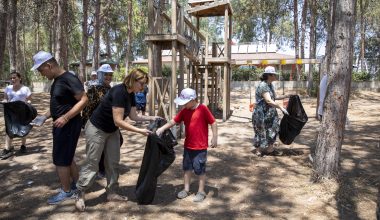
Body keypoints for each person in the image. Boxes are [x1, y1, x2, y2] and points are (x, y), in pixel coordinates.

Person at [74, 68, 159, 211]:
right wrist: (140, 131)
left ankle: (112, 192)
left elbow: (133, 116)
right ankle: (80, 193)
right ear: (133, 80)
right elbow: (118, 121)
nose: (143, 87)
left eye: (144, 84)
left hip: (111, 131)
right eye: (141, 84)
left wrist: (151, 117)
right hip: (97, 129)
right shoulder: (120, 92)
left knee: (113, 162)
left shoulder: (131, 93)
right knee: (93, 161)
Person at [30, 51, 88, 204]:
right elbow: (60, 104)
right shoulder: (57, 80)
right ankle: (77, 185)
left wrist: (66, 117)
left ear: (49, 65)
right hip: (62, 123)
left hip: (68, 125)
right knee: (67, 157)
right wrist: (44, 116)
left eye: (41, 70)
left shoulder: (69, 78)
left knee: (61, 159)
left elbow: (84, 99)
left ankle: (66, 191)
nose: (41, 74)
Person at [156, 88, 218, 203]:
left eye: (185, 102)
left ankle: (201, 191)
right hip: (188, 146)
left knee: (200, 169)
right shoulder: (185, 111)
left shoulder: (203, 109)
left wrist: (214, 137)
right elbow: (174, 121)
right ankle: (186, 189)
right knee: (187, 168)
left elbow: (213, 122)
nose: (183, 105)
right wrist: (162, 128)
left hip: (200, 148)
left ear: (193, 100)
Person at [81, 63, 115, 178]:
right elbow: (87, 107)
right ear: (100, 75)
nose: (108, 77)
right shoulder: (93, 88)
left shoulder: (110, 88)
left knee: (115, 142)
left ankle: (102, 166)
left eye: (110, 75)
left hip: (107, 123)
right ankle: (98, 170)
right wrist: (85, 123)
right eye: (106, 75)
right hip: (95, 123)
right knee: (96, 148)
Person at [252, 66, 289, 157]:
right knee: (261, 130)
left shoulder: (270, 85)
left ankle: (270, 149)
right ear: (269, 75)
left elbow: (274, 98)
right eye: (274, 75)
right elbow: (268, 100)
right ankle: (258, 150)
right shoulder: (263, 85)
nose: (276, 76)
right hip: (261, 113)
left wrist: (287, 96)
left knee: (273, 129)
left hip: (270, 113)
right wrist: (280, 107)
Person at [0, 72, 32, 159]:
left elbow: (29, 100)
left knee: (23, 128)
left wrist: (27, 105)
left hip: (22, 111)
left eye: (14, 78)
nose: (13, 80)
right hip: (10, 112)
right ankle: (7, 148)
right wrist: (4, 102)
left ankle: (23, 146)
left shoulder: (26, 89)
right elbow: (5, 99)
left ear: (20, 78)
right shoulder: (8, 88)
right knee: (9, 129)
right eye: (11, 78)